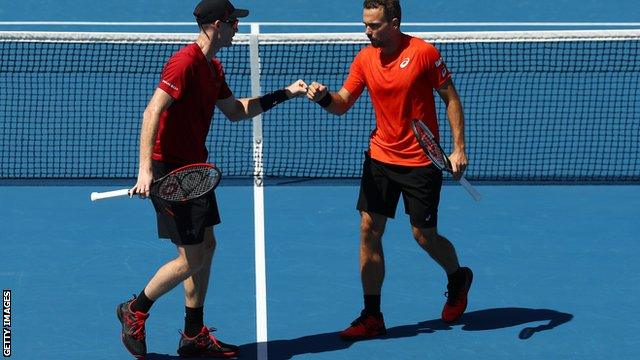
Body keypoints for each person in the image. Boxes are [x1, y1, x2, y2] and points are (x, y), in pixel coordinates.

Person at [116, 0, 308, 358]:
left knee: (206, 248)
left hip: (195, 172)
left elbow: (236, 111)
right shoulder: (185, 62)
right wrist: (144, 169)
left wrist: (285, 93)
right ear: (217, 25)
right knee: (191, 259)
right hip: (169, 171)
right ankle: (135, 310)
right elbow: (152, 110)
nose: (237, 28)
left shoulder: (213, 68)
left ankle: (193, 335)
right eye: (234, 22)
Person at [306, 0, 473, 341]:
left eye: (375, 25)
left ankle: (457, 277)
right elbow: (343, 104)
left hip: (421, 163)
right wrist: (325, 98)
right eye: (365, 25)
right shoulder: (365, 59)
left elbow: (451, 98)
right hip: (380, 157)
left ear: (394, 23)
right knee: (369, 230)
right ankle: (372, 315)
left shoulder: (424, 53)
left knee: (423, 236)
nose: (368, 31)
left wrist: (459, 149)